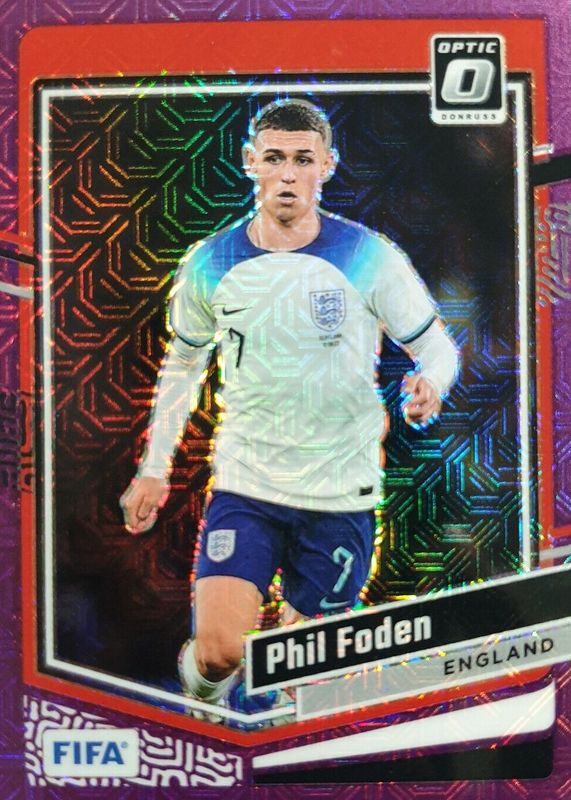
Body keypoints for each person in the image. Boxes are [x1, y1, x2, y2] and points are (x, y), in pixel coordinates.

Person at [120, 98, 459, 709]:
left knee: (292, 672)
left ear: (327, 165)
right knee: (219, 652)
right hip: (247, 483)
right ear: (250, 161)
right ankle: (206, 709)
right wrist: (153, 469)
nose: (287, 174)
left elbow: (436, 347)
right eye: (274, 158)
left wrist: (430, 382)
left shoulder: (370, 257)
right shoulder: (210, 263)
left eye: (303, 160)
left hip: (341, 493)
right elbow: (184, 366)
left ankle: (265, 732)